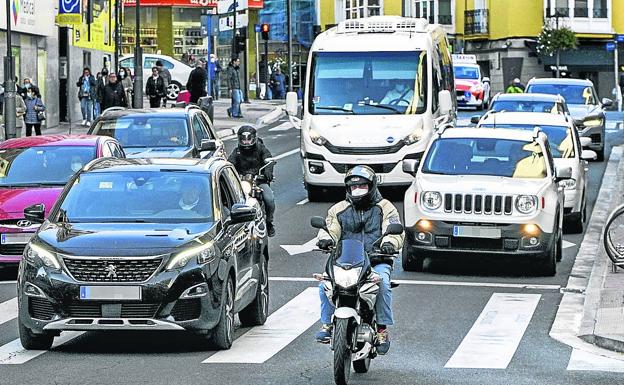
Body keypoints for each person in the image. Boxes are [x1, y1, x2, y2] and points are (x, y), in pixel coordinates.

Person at [314, 165, 404, 355]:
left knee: (383, 284)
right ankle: (327, 325)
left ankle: (382, 330)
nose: (358, 191)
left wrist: (390, 243)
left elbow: (395, 228)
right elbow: (330, 228)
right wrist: (325, 239)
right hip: (345, 261)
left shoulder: (386, 207)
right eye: (354, 187)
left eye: (362, 186)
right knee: (325, 284)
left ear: (371, 186)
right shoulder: (338, 209)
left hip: (377, 259)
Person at [228, 125, 276, 237]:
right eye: (243, 139)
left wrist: (268, 171)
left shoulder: (260, 149)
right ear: (239, 139)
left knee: (269, 199)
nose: (246, 142)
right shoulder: (237, 152)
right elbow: (230, 163)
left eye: (248, 139)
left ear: (253, 138)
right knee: (230, 200)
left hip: (259, 181)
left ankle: (269, 222)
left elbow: (268, 159)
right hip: (242, 182)